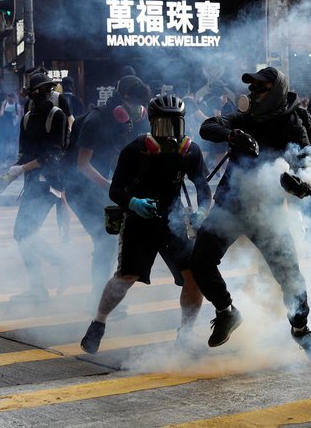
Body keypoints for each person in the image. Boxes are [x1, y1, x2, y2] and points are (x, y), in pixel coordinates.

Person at [189, 66, 311, 361]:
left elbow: (308, 162)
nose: (253, 93)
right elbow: (207, 127)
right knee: (200, 260)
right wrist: (233, 134)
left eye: (261, 88)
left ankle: (300, 330)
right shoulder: (243, 118)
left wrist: (299, 184)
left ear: (275, 91)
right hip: (230, 206)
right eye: (252, 88)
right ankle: (226, 311)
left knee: (290, 277)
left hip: (267, 212)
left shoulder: (292, 123)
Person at [80, 93, 212, 353]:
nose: (171, 132)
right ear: (152, 124)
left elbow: (204, 190)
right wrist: (134, 204)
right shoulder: (135, 150)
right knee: (125, 276)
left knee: (193, 277)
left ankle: (185, 334)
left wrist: (203, 211)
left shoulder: (190, 151)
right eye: (165, 124)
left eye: (176, 124)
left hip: (174, 222)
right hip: (139, 222)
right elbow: (115, 191)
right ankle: (98, 323)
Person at [63, 75, 152, 301]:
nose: (137, 109)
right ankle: (98, 299)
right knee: (104, 241)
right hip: (79, 189)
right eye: (133, 103)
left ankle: (103, 295)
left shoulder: (124, 123)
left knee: (112, 242)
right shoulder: (96, 121)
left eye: (140, 105)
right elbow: (82, 165)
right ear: (121, 98)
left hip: (100, 187)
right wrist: (110, 186)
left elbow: (115, 155)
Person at [4, 70, 71, 301]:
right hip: (32, 182)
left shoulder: (58, 116)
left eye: (47, 91)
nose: (43, 96)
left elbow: (53, 156)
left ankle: (57, 269)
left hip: (50, 184)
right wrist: (7, 177)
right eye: (38, 92)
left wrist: (22, 169)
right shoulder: (26, 118)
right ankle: (39, 286)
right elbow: (24, 154)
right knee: (23, 234)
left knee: (24, 233)